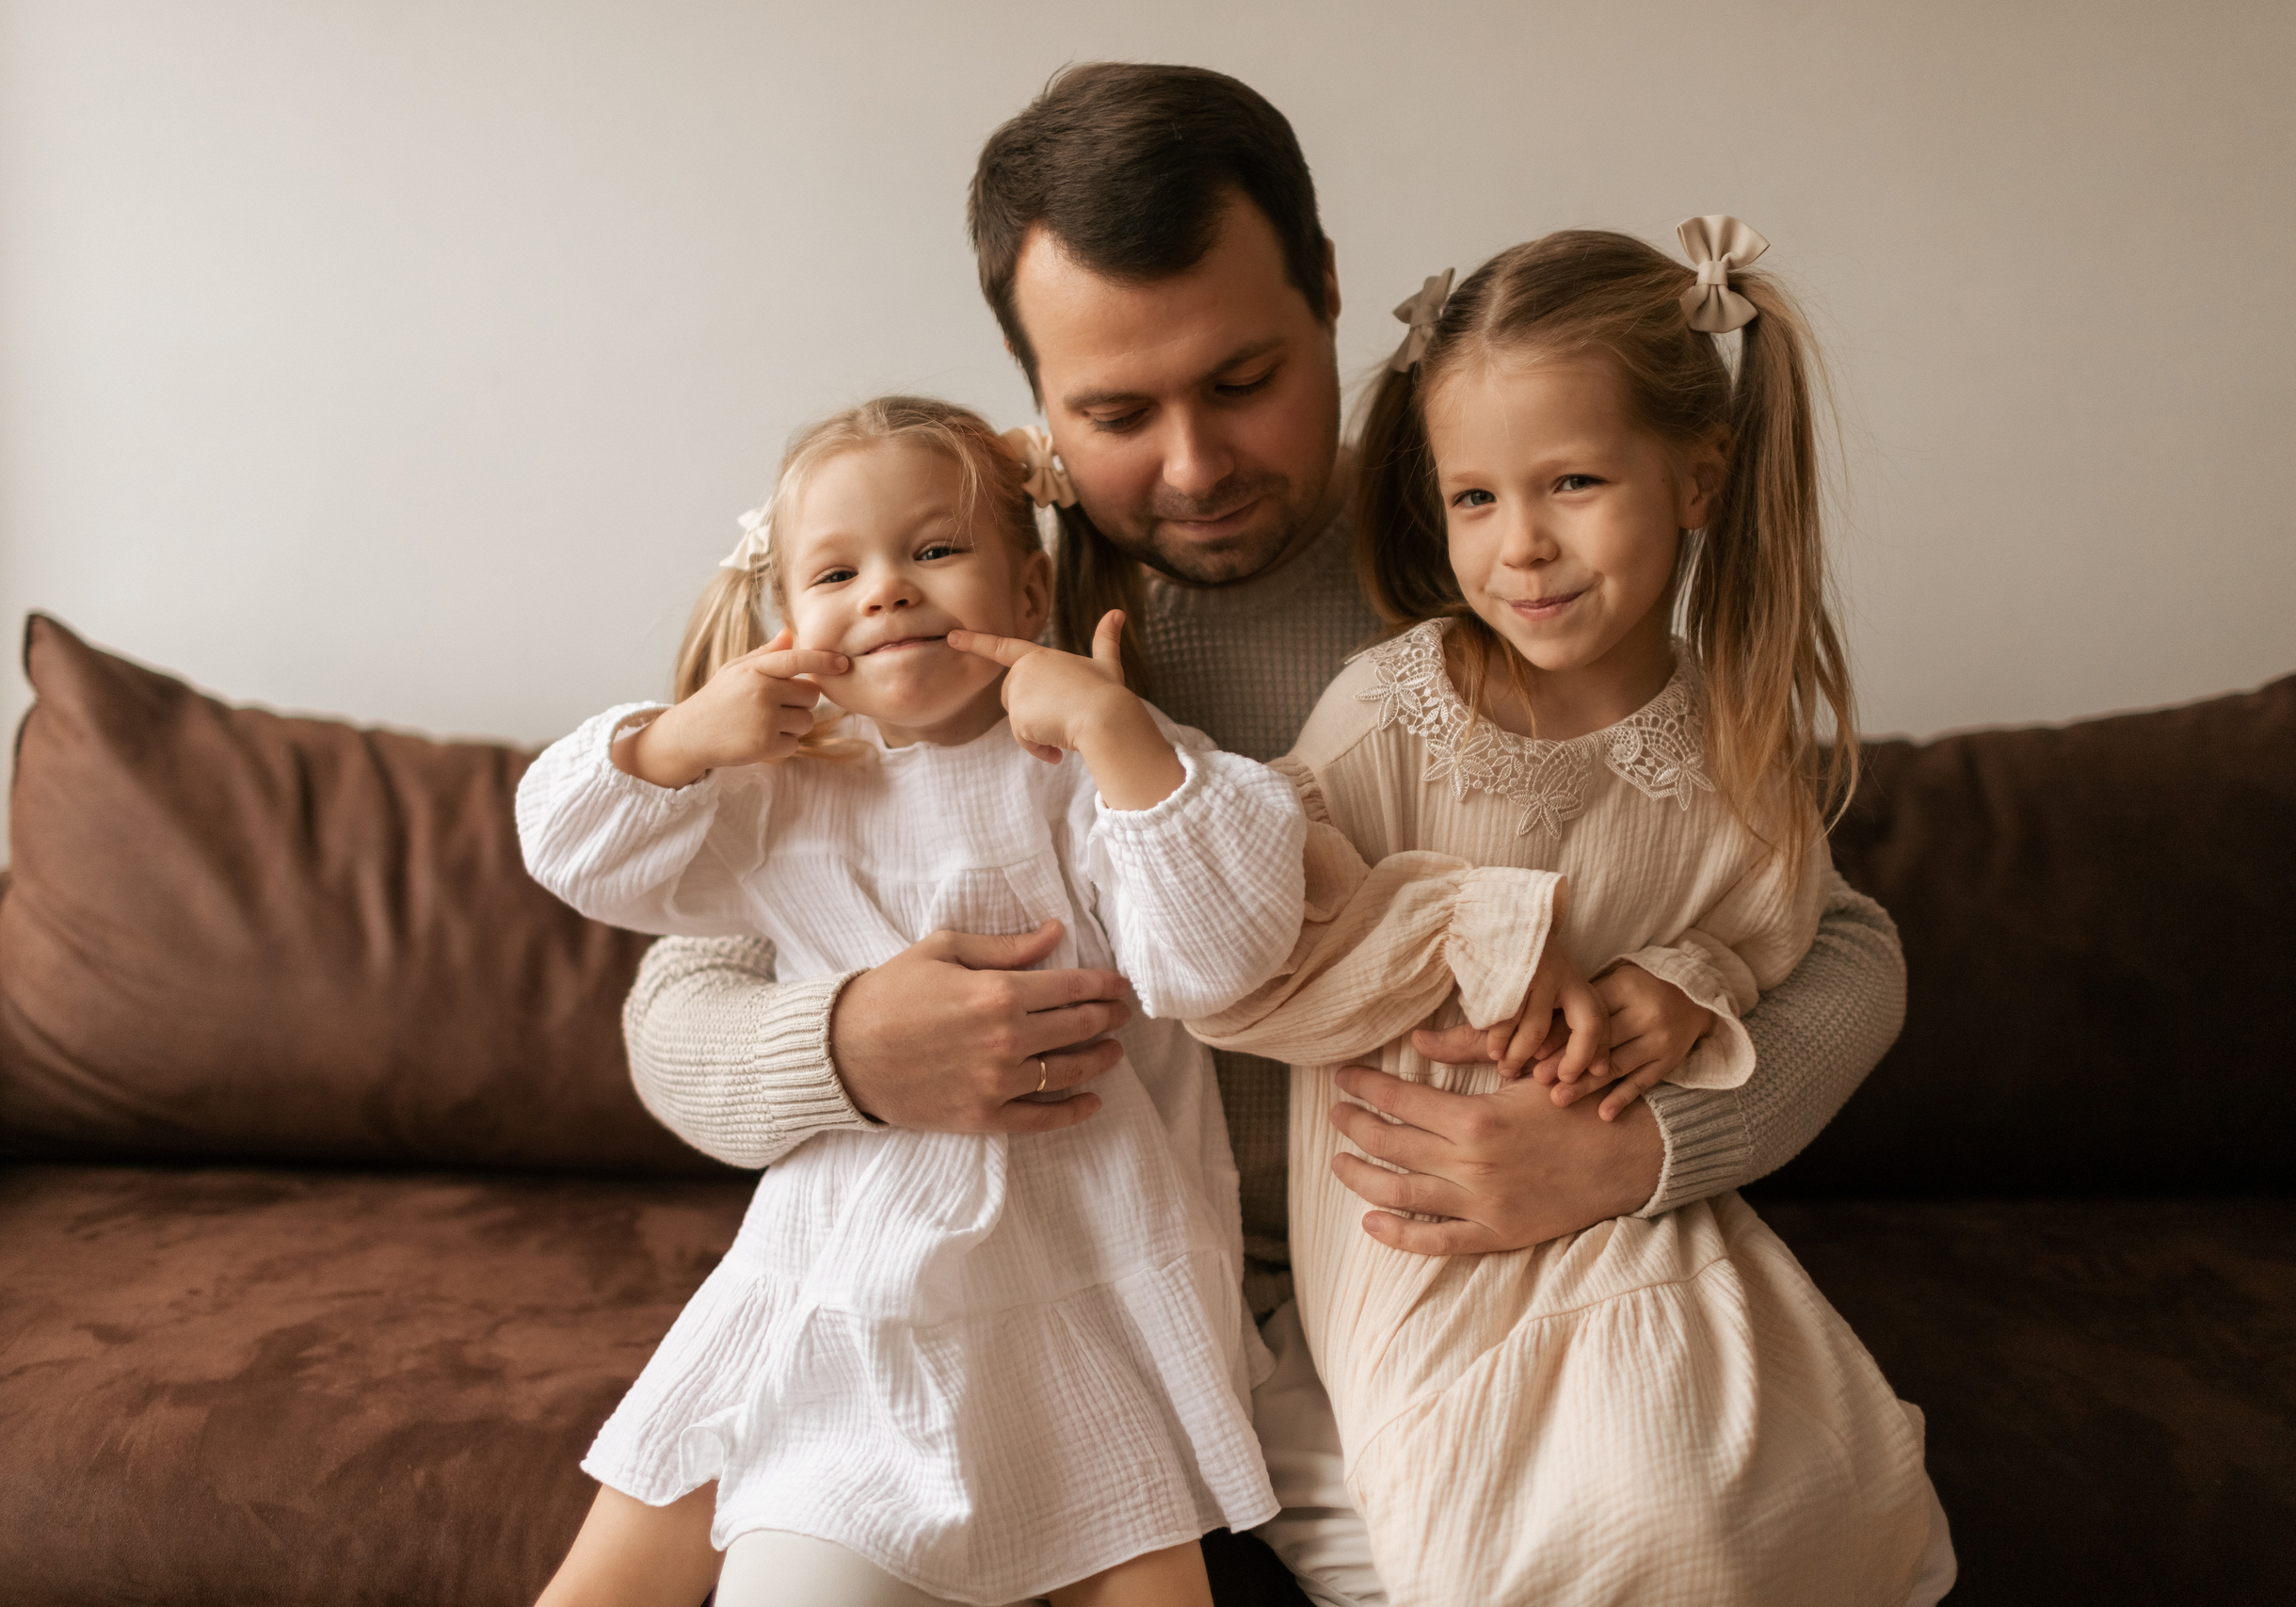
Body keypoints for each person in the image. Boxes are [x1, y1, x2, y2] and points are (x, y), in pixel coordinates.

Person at [617, 65, 1914, 1604]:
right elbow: (675, 1004)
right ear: (1034, 393)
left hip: (1445, 1291)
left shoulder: (1488, 545)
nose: (1191, 463)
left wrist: (1641, 1149)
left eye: (1243, 381)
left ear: (1332, 301)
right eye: (1113, 411)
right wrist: (843, 1049)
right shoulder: (942, 595)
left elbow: (1837, 937)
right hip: (1055, 1308)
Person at [1189, 220, 1948, 1604]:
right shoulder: (1388, 711)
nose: (1520, 546)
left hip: (1631, 1211)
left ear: (1698, 478)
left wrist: (1684, 979)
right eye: (1474, 498)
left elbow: (1785, 934)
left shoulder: (1739, 735)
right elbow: (1244, 959)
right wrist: (1476, 924)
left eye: (1575, 482)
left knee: (1765, 1505)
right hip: (1414, 1240)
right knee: (1574, 1540)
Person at [519, 397, 1309, 1606]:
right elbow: (574, 856)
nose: (888, 590)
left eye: (933, 551)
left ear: (1030, 593)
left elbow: (1217, 959)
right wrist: (677, 740)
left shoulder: (1087, 770)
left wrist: (1118, 731)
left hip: (1085, 1251)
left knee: (1147, 1558)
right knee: (631, 1555)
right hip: (850, 1256)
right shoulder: (783, 790)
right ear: (790, 623)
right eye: (838, 571)